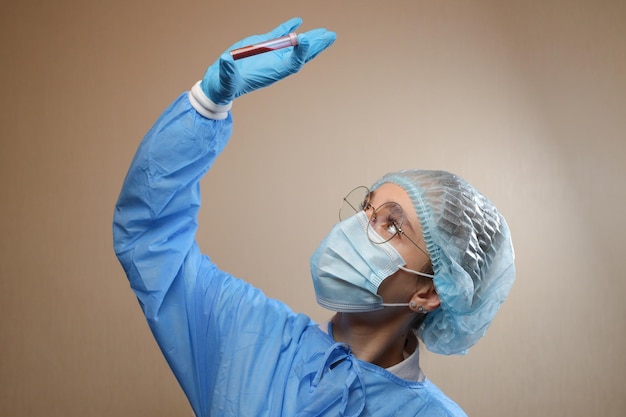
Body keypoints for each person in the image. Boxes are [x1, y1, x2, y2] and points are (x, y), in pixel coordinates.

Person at [113, 17, 515, 417]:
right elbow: (150, 239)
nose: (360, 227)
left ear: (428, 293)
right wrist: (206, 103)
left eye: (391, 225)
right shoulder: (249, 337)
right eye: (366, 209)